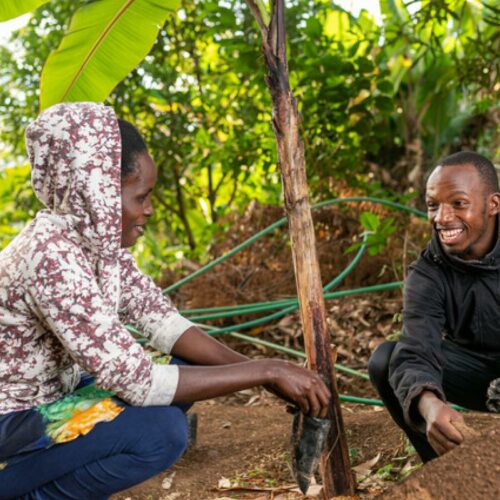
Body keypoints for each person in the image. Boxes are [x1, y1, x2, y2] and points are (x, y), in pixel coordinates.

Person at [0, 102, 331, 499]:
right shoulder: (49, 256)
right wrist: (268, 372)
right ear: (98, 191)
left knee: (188, 367)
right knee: (160, 433)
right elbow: (137, 383)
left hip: (55, 400)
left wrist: (276, 378)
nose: (149, 210)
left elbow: (164, 324)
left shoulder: (94, 246)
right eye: (141, 197)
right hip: (13, 426)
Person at [368, 151, 500, 463]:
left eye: (458, 203)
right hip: (476, 374)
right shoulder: (428, 273)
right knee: (386, 361)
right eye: (433, 205)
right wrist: (428, 406)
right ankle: (449, 473)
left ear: (493, 204)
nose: (441, 217)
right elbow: (416, 351)